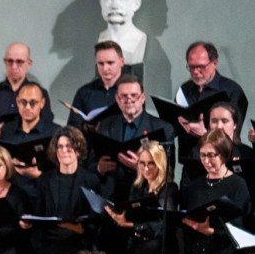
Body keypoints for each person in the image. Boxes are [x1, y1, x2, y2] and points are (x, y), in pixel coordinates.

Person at [105, 140, 178, 254]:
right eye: (142, 163)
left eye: (151, 163)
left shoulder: (169, 189)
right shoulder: (138, 187)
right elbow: (131, 215)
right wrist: (120, 219)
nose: (146, 168)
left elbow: (161, 226)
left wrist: (129, 224)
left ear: (159, 163)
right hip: (136, 251)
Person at [181, 129, 251, 254]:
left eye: (212, 155)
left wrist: (210, 230)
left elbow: (239, 226)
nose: (207, 161)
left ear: (224, 154)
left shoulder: (237, 185)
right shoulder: (195, 186)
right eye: (203, 155)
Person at [32, 127, 98, 254]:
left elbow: (96, 218)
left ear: (78, 150)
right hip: (50, 249)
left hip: (78, 248)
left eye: (69, 146)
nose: (63, 151)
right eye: (60, 146)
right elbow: (39, 214)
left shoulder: (89, 179)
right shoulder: (45, 180)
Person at [91, 74, 174, 204]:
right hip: (111, 198)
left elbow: (168, 171)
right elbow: (90, 163)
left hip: (144, 198)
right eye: (123, 96)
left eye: (134, 95)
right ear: (117, 99)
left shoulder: (162, 128)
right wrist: (99, 168)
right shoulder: (104, 126)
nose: (129, 100)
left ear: (142, 98)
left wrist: (142, 167)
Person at [176, 41, 248, 156]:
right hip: (190, 161)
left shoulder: (232, 91)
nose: (195, 71)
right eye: (191, 67)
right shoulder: (184, 90)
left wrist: (205, 134)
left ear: (215, 63)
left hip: (221, 161)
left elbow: (233, 135)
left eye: (201, 67)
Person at [0, 82, 59, 185]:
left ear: (42, 103)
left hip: (43, 192)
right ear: (17, 102)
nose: (28, 107)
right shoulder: (7, 130)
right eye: (23, 102)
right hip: (12, 192)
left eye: (33, 103)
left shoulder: (55, 133)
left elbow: (63, 174)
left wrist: (38, 175)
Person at [0, 42, 54, 123]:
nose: (14, 67)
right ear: (4, 62)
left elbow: (47, 128)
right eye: (10, 61)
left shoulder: (40, 94)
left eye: (19, 62)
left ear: (29, 63)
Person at [66, 41, 126, 128]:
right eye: (100, 63)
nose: (105, 68)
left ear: (122, 62)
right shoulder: (84, 92)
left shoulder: (132, 91)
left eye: (110, 63)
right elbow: (72, 128)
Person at [97, 0, 147, 65]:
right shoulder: (101, 38)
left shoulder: (139, 39)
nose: (114, 6)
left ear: (136, 4)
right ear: (101, 3)